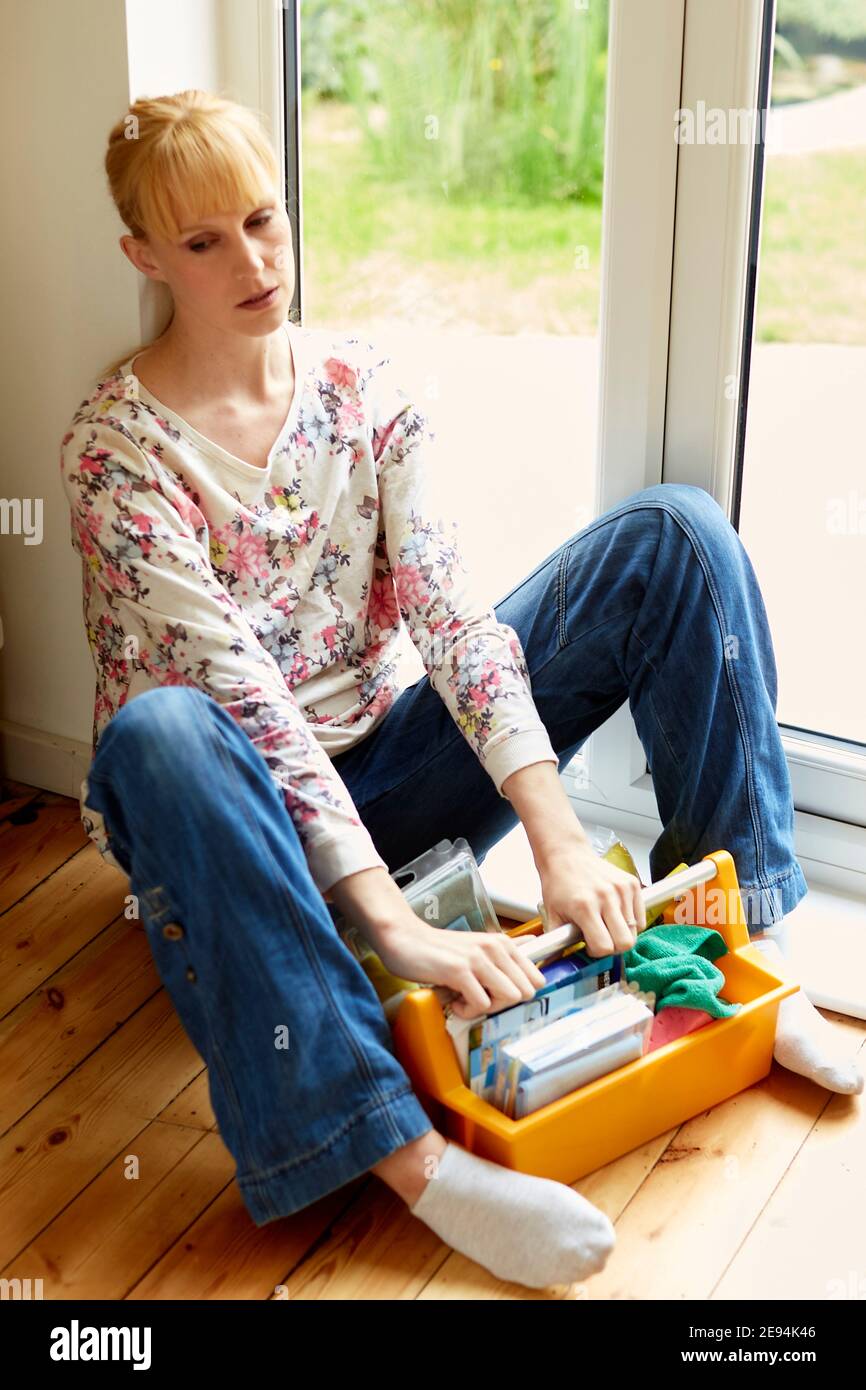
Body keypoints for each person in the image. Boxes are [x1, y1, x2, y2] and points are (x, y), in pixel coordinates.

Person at [59, 89, 860, 1294]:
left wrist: (555, 837)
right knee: (161, 730)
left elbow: (449, 616)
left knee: (674, 535)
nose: (255, 261)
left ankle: (746, 960)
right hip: (241, 822)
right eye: (203, 240)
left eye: (265, 220)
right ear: (143, 256)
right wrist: (397, 928)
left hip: (393, 767)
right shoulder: (114, 455)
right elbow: (248, 708)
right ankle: (409, 1160)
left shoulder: (364, 384)